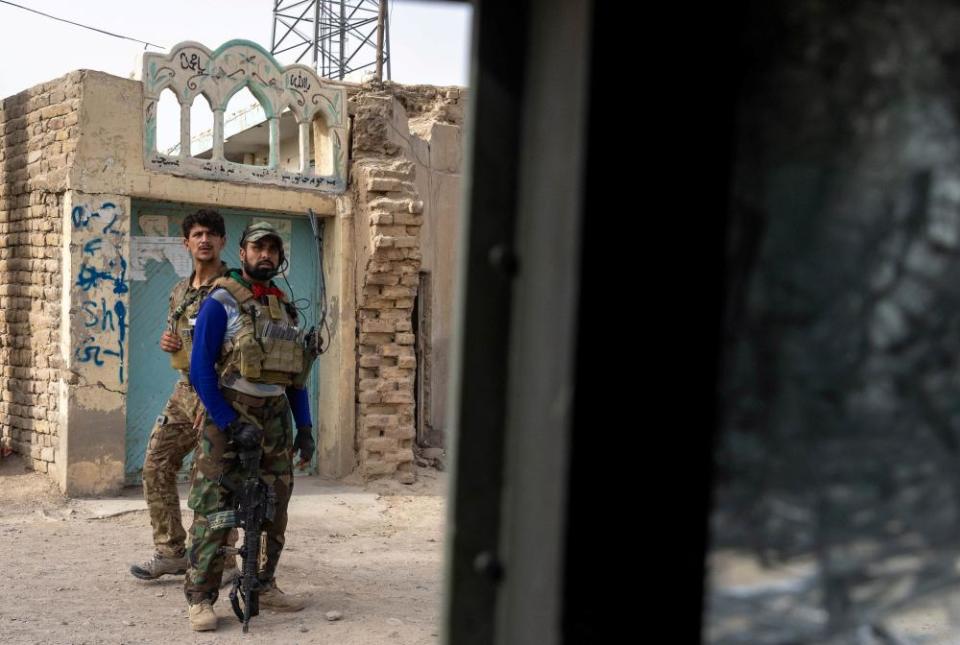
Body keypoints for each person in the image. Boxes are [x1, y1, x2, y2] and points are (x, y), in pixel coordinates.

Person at [184, 221, 317, 631]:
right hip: (230, 411)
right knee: (216, 509)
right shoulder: (220, 300)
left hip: (275, 415)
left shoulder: (287, 310)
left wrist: (305, 427)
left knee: (275, 505)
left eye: (273, 250)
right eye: (258, 247)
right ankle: (201, 598)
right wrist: (227, 421)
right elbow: (200, 369)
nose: (266, 255)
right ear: (242, 252)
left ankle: (263, 584)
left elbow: (295, 378)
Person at [130, 209, 240, 583]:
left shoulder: (234, 290)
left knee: (211, 478)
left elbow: (242, 350)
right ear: (186, 242)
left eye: (211, 233)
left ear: (223, 241)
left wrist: (216, 403)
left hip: (221, 393)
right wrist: (168, 342)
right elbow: (179, 339)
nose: (204, 240)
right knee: (155, 465)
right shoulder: (180, 291)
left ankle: (223, 559)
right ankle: (171, 552)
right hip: (184, 392)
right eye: (197, 234)